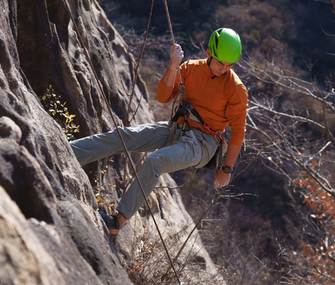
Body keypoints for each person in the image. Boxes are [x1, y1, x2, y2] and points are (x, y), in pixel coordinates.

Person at [70, 28, 248, 235]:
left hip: (203, 143)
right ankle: (68, 152)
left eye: (229, 65)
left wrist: (226, 169)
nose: (223, 69)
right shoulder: (190, 68)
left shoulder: (235, 88)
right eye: (220, 63)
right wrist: (173, 66)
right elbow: (164, 97)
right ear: (209, 53)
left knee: (156, 160)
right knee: (124, 135)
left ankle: (117, 222)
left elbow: (238, 132)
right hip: (177, 128)